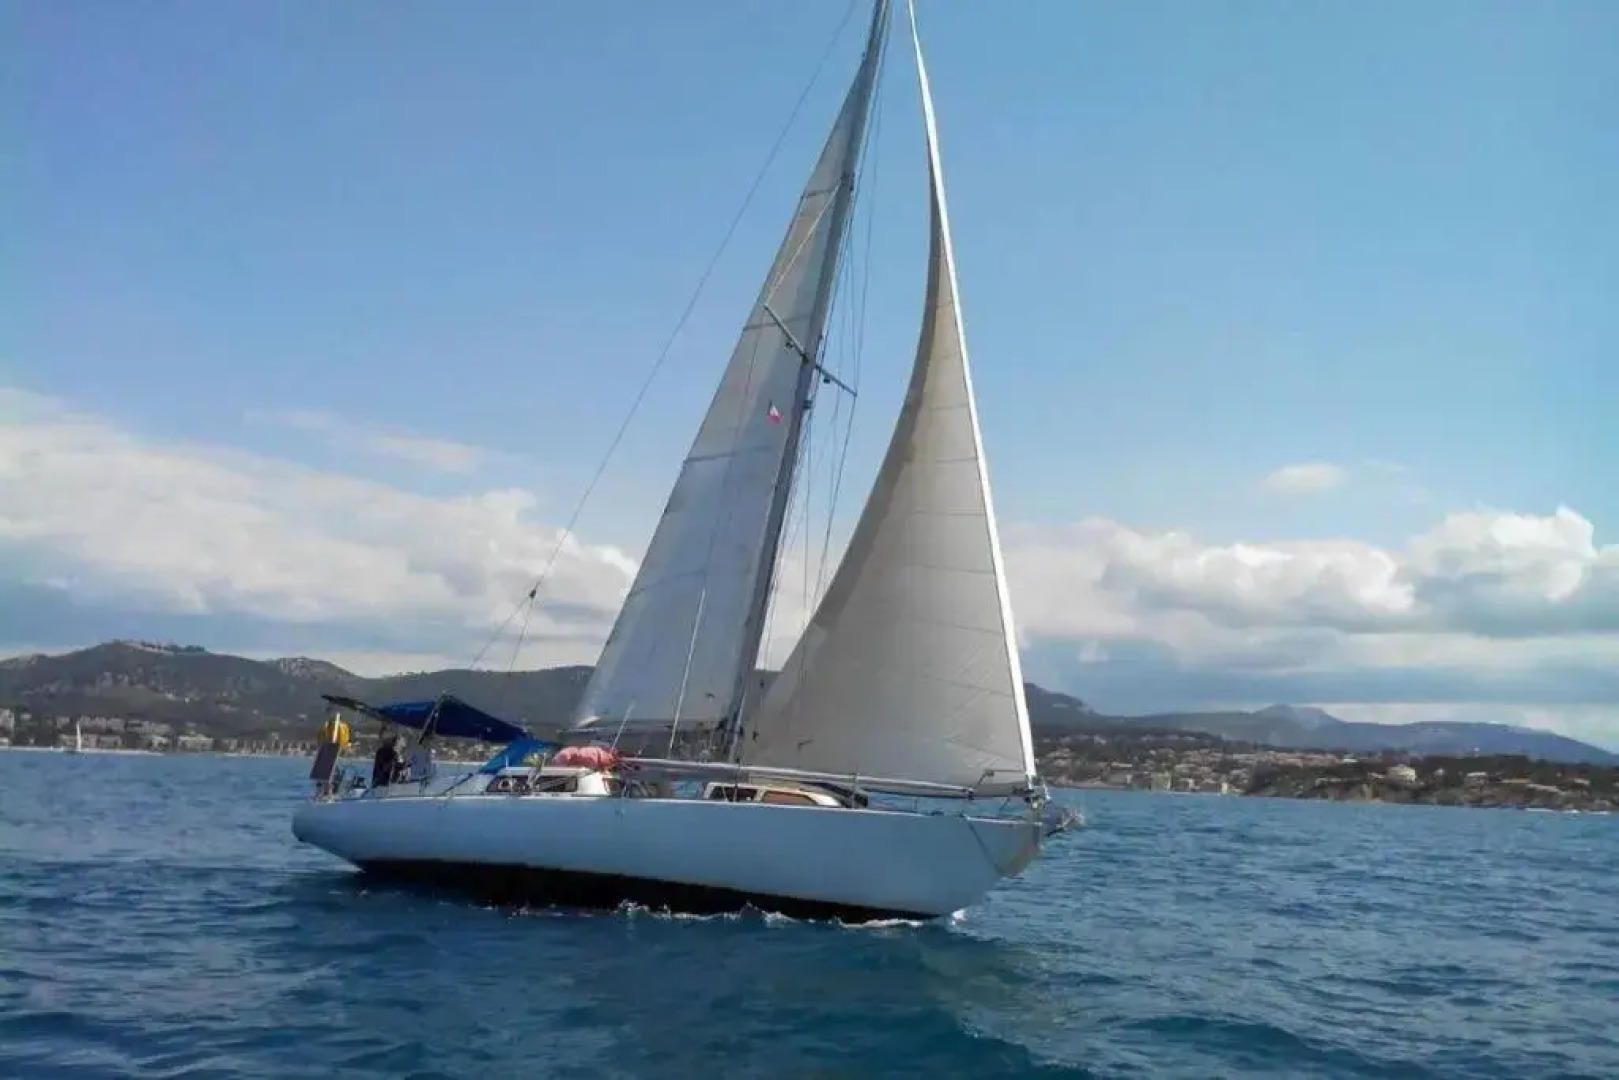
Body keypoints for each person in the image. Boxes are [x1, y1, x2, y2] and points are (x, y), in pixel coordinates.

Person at [310, 709, 352, 797]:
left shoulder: (329, 725)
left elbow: (320, 738)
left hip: (330, 749)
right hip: (335, 749)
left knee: (328, 774)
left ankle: (326, 791)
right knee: (329, 773)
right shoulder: (342, 726)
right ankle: (327, 791)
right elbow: (346, 739)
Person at [370, 724, 399, 790]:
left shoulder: (393, 753)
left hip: (386, 785)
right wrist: (392, 762)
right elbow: (383, 768)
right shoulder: (381, 752)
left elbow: (395, 771)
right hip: (379, 784)